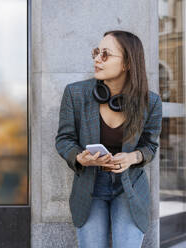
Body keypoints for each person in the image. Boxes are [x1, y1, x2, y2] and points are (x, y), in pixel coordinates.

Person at [55, 30, 162, 248]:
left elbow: (150, 145)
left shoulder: (150, 102)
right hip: (89, 187)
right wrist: (80, 158)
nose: (97, 59)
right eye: (96, 52)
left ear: (127, 64)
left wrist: (133, 157)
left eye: (106, 54)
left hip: (129, 186)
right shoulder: (75, 94)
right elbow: (64, 139)